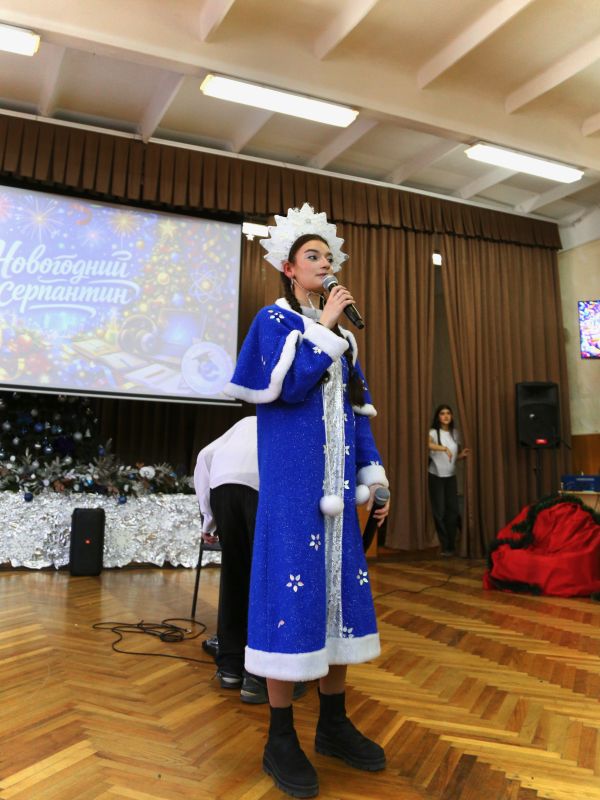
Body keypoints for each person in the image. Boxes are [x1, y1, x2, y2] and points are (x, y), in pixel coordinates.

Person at [225, 203, 390, 798]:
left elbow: (357, 413)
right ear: (289, 269)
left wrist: (374, 473)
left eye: (328, 257)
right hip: (293, 492)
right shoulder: (274, 322)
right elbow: (289, 389)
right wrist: (324, 327)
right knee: (288, 602)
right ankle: (280, 737)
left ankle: (334, 724)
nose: (325, 264)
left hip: (339, 491)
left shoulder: (342, 337)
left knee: (338, 600)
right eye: (312, 257)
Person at [427, 404, 470, 556]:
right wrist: (444, 448)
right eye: (442, 413)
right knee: (439, 511)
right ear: (438, 417)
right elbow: (427, 444)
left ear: (451, 416)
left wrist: (460, 456)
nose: (445, 416)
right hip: (435, 476)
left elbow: (451, 459)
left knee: (452, 511)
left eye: (448, 413)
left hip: (450, 476)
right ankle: (444, 545)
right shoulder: (433, 432)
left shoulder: (455, 433)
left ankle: (451, 546)